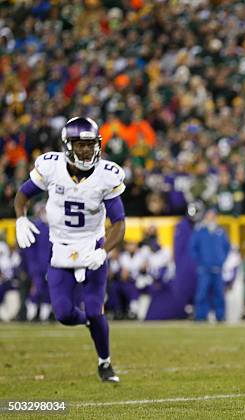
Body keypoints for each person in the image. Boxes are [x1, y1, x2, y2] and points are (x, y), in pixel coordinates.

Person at [14, 117, 126, 382]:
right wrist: (21, 217)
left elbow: (119, 223)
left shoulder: (105, 176)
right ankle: (86, 322)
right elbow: (22, 195)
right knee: (63, 314)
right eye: (80, 145)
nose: (86, 150)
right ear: (68, 145)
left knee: (95, 309)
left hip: (92, 245)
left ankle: (105, 362)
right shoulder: (51, 168)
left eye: (90, 145)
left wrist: (103, 251)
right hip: (61, 247)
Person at [188, 206, 230, 322]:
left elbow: (227, 248)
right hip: (204, 268)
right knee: (202, 293)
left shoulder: (221, 232)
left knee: (219, 294)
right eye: (209, 215)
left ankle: (220, 316)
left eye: (213, 216)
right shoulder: (200, 231)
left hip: (217, 268)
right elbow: (192, 248)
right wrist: (200, 262)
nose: (211, 218)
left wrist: (221, 260)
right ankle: (200, 316)